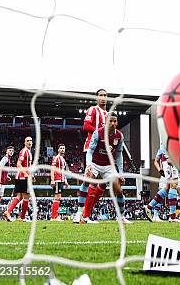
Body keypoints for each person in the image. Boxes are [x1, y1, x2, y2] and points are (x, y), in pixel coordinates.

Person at [81, 112, 130, 224]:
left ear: (117, 123)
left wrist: (120, 173)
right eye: (110, 121)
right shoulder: (98, 133)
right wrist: (88, 165)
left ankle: (121, 217)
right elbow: (90, 151)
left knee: (118, 190)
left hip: (109, 166)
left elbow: (119, 155)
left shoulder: (119, 136)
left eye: (115, 121)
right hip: (95, 163)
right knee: (91, 183)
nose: (112, 123)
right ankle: (85, 217)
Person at [74, 89, 108, 223]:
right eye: (101, 95)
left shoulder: (107, 114)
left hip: (103, 152)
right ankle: (79, 213)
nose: (103, 98)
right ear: (96, 98)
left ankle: (86, 213)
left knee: (103, 183)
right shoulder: (93, 110)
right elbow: (86, 126)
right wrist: (99, 134)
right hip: (91, 148)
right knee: (88, 180)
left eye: (105, 95)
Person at [4, 137, 33, 222]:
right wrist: (25, 173)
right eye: (27, 141)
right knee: (26, 196)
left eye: (31, 140)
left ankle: (8, 212)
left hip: (21, 176)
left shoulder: (28, 152)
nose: (29, 142)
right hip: (23, 177)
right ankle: (22, 217)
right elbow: (18, 164)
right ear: (24, 142)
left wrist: (31, 175)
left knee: (19, 196)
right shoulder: (24, 151)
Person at [0, 146, 14, 221]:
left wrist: (7, 176)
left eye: (12, 151)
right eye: (10, 150)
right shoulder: (5, 158)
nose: (11, 152)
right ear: (6, 151)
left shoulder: (8, 159)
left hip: (2, 180)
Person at [50, 144, 69, 221]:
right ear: (58, 150)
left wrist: (66, 181)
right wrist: (52, 180)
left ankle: (55, 216)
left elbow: (63, 171)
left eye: (63, 148)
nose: (62, 149)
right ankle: (54, 216)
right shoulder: (56, 158)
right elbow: (52, 169)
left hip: (61, 180)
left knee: (58, 197)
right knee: (57, 197)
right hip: (57, 179)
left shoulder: (63, 159)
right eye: (61, 148)